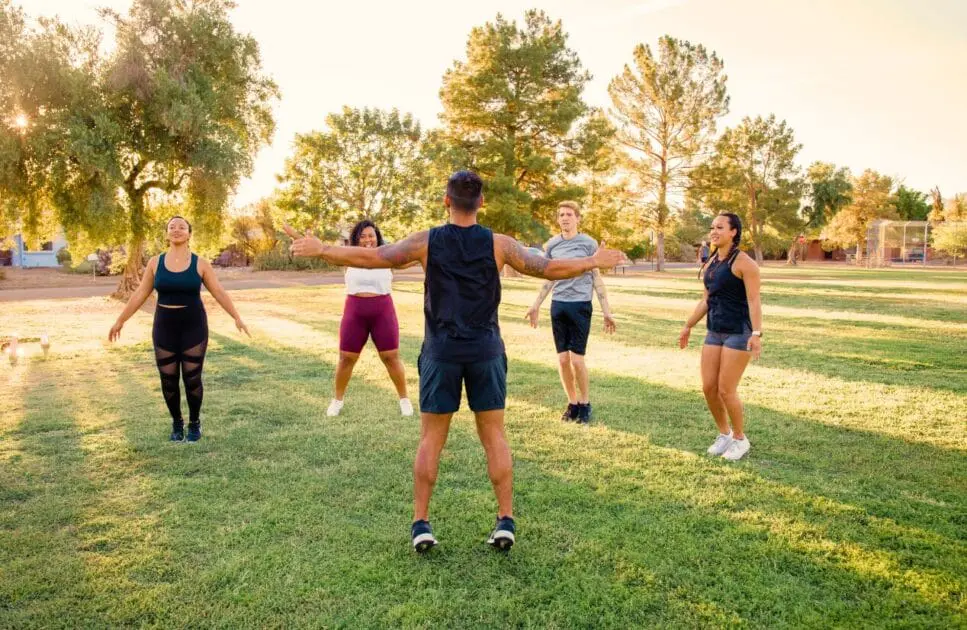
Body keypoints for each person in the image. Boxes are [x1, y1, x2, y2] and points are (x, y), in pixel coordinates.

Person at [286, 171, 627, 553]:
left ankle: (421, 524)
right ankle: (505, 519)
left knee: (431, 439)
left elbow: (375, 257)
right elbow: (546, 268)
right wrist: (592, 261)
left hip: (441, 353)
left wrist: (322, 249)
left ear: (446, 201)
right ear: (481, 203)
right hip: (486, 352)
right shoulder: (499, 244)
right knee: (494, 436)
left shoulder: (426, 241)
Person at [109, 216, 250, 442]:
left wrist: (237, 317)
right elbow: (140, 293)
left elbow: (218, 292)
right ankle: (177, 423)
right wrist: (120, 320)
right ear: (167, 233)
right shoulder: (155, 263)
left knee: (192, 378)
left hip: (193, 326)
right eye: (172, 227)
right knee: (168, 379)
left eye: (182, 227)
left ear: (189, 234)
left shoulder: (200, 263)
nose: (176, 230)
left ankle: (194, 423)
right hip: (164, 327)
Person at [678, 213, 762, 461]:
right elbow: (706, 300)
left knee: (726, 390)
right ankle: (724, 434)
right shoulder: (712, 262)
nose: (714, 231)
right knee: (709, 388)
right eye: (712, 227)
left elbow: (754, 300)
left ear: (733, 232)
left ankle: (740, 439)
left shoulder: (745, 263)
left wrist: (756, 334)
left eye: (720, 227)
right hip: (714, 331)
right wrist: (688, 325)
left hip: (738, 332)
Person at [523, 201, 616, 424]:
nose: (565, 218)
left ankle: (585, 404)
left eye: (569, 214)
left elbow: (596, 278)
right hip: (559, 305)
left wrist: (607, 311)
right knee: (563, 359)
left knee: (577, 360)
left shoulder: (588, 243)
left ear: (577, 218)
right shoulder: (552, 245)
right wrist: (536, 304)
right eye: (561, 215)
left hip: (580, 305)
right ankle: (572, 404)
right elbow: (549, 277)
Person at [326, 219, 413, 418]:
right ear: (356, 239)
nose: (367, 240)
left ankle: (404, 400)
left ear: (377, 237)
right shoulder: (349, 257)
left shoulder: (387, 256)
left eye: (371, 236)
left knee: (391, 357)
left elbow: (413, 258)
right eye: (363, 236)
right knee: (346, 359)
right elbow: (327, 254)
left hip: (383, 311)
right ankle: (337, 401)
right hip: (354, 311)